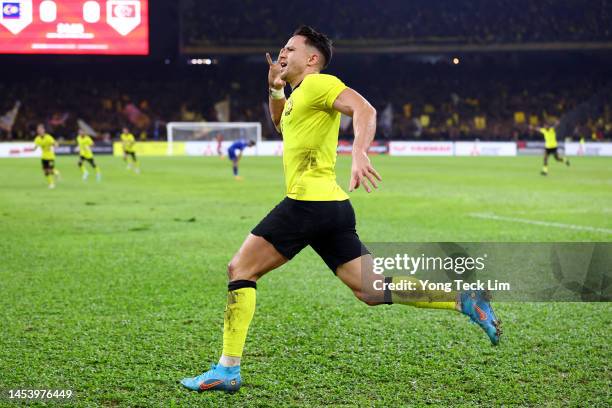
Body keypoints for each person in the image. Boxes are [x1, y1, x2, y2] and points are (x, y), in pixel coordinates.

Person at [181, 26, 501, 393]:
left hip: (307, 204)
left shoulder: (319, 84)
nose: (282, 54)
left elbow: (363, 109)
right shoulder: (300, 95)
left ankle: (227, 370)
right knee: (372, 290)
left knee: (240, 269)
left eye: (291, 49)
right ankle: (463, 301)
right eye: (281, 49)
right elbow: (281, 125)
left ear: (312, 59)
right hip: (332, 208)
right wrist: (274, 88)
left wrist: (360, 150)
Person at [33, 124, 60, 189]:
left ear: (44, 130)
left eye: (41, 130)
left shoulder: (48, 137)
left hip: (50, 156)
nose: (39, 131)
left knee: (50, 170)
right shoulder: (37, 139)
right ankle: (51, 184)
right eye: (38, 130)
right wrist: (34, 148)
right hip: (44, 157)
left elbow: (55, 143)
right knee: (45, 171)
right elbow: (36, 146)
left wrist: (56, 145)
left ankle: (56, 173)